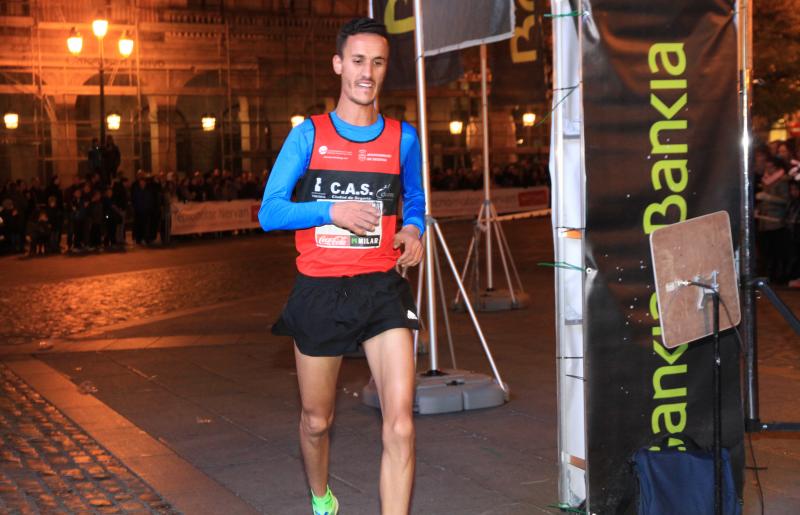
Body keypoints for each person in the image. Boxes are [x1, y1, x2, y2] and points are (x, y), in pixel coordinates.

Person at [258, 17, 424, 515]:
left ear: (386, 69)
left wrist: (413, 230)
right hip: (320, 289)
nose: (366, 73)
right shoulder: (308, 136)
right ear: (338, 65)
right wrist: (331, 210)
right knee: (316, 421)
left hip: (381, 287)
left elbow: (415, 199)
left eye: (377, 62)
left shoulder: (403, 138)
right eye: (357, 61)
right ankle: (321, 498)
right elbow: (270, 212)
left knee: (401, 424)